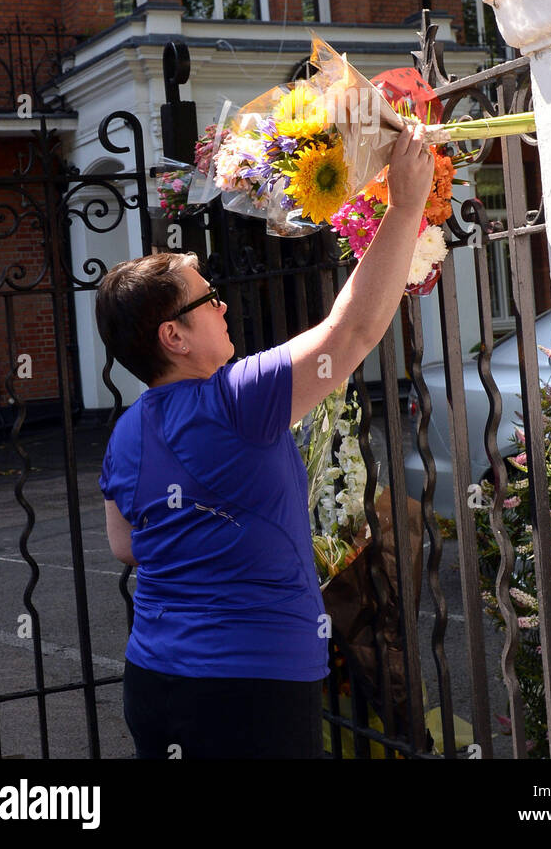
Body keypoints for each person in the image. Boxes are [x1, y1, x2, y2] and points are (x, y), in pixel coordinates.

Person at [95, 122, 434, 760]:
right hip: (248, 685)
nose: (223, 308)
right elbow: (352, 334)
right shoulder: (236, 400)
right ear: (174, 336)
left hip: (155, 679)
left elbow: (125, 545)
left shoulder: (126, 432)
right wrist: (407, 205)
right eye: (208, 300)